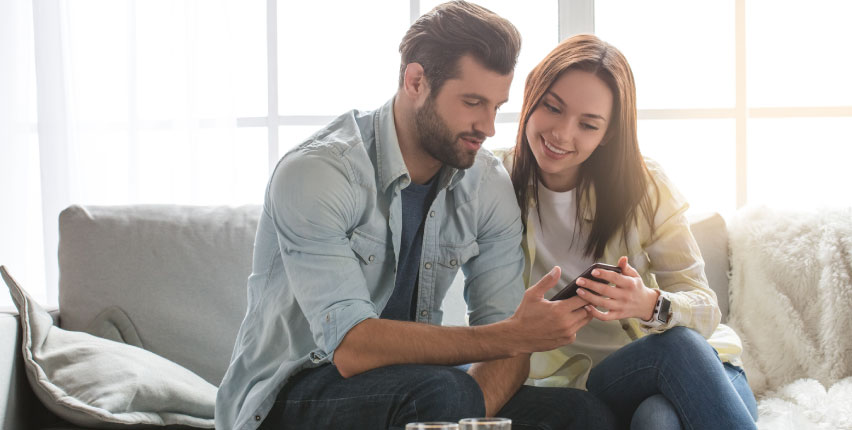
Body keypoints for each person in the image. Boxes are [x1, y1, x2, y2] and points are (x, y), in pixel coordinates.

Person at [215, 3, 617, 429]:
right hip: (292, 393)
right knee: (444, 392)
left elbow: (507, 352)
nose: (489, 126)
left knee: (580, 414)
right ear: (416, 81)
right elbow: (352, 348)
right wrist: (512, 337)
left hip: (415, 389)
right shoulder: (318, 174)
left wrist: (470, 413)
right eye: (472, 102)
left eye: (496, 106)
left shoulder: (485, 184)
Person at [503, 34, 759, 429]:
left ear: (607, 134)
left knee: (658, 416)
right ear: (531, 96)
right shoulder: (495, 182)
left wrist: (648, 303)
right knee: (670, 358)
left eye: (588, 125)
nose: (562, 134)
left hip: (704, 373)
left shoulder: (644, 186)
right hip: (601, 380)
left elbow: (706, 308)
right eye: (552, 108)